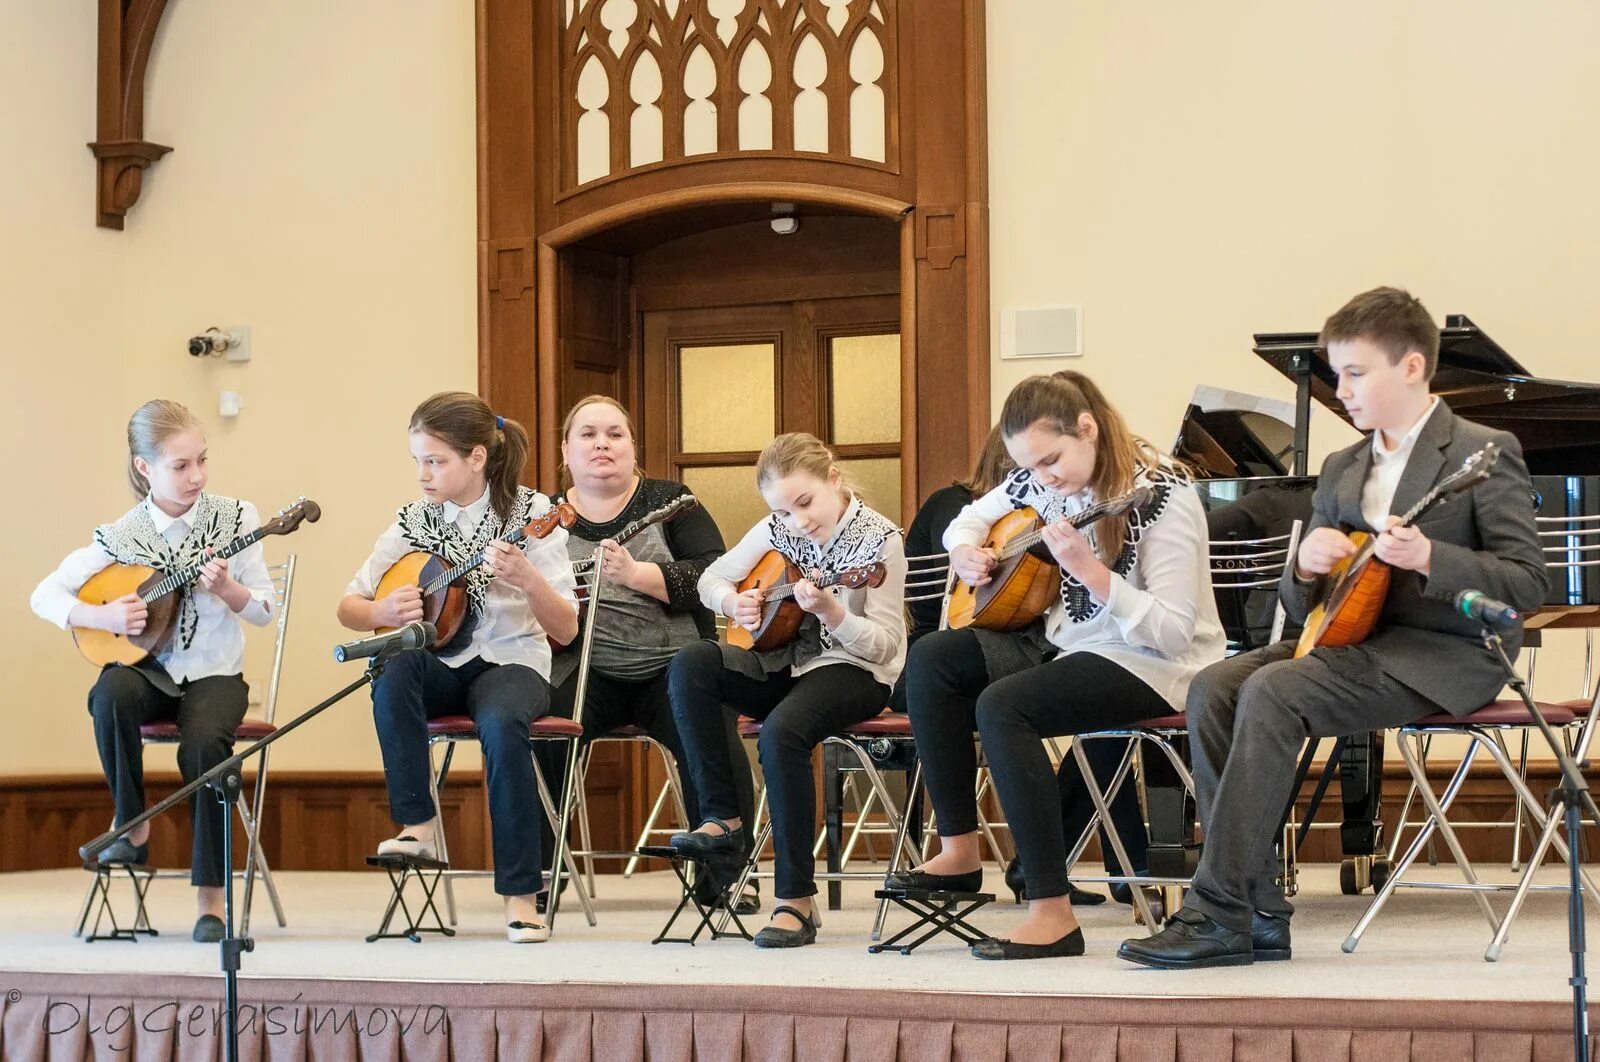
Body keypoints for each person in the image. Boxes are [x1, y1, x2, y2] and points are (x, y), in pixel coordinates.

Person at [1119, 287, 1548, 969]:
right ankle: (1259, 913)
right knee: (1212, 687)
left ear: (1411, 368)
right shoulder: (1346, 466)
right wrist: (1305, 565)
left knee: (1275, 692)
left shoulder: (1484, 451)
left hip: (1443, 652)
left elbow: (1529, 582)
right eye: (1337, 372)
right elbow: (1305, 595)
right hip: (1347, 640)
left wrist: (1433, 557)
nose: (1339, 388)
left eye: (1354, 372)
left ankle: (1216, 910)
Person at [892, 372, 1224, 960]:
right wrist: (964, 551)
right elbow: (966, 519)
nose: (1041, 478)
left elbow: (1173, 632)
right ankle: (960, 848)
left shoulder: (1164, 498)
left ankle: (1050, 911)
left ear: (1088, 429)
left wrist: (1095, 575)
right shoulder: (1039, 483)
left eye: (1050, 460)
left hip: (1153, 661)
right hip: (1065, 643)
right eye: (1030, 467)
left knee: (1004, 706)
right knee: (933, 658)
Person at [31, 399, 276, 943]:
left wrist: (230, 589)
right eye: (180, 466)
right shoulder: (121, 535)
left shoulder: (238, 517)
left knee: (204, 748)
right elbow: (42, 595)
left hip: (216, 675)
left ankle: (210, 900)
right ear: (145, 468)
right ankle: (132, 821)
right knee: (109, 692)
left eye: (202, 461)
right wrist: (103, 615)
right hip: (151, 673)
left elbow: (264, 611)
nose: (197, 477)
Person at [337, 391, 578, 944]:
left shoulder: (534, 515)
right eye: (417, 461)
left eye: (435, 461)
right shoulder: (414, 520)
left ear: (476, 457)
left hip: (514, 661)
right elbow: (349, 607)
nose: (423, 474)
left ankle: (522, 899)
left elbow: (565, 628)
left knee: (501, 725)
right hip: (442, 664)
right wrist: (381, 610)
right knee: (391, 671)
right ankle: (419, 827)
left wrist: (527, 578)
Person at [667, 433, 907, 947]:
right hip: (782, 663)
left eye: (805, 502)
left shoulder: (881, 541)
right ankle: (723, 819)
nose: (798, 520)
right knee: (693, 663)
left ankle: (794, 900)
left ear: (833, 480)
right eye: (783, 509)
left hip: (855, 670)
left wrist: (834, 612)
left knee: (781, 734)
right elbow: (711, 580)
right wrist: (735, 605)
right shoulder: (777, 527)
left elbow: (887, 648)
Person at [533, 395, 756, 913]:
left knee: (712, 732)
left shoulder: (673, 501)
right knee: (538, 725)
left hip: (674, 669)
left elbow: (713, 573)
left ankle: (727, 877)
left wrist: (637, 575)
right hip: (584, 668)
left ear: (633, 448)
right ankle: (540, 875)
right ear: (566, 450)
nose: (602, 444)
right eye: (587, 434)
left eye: (615, 433)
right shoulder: (543, 517)